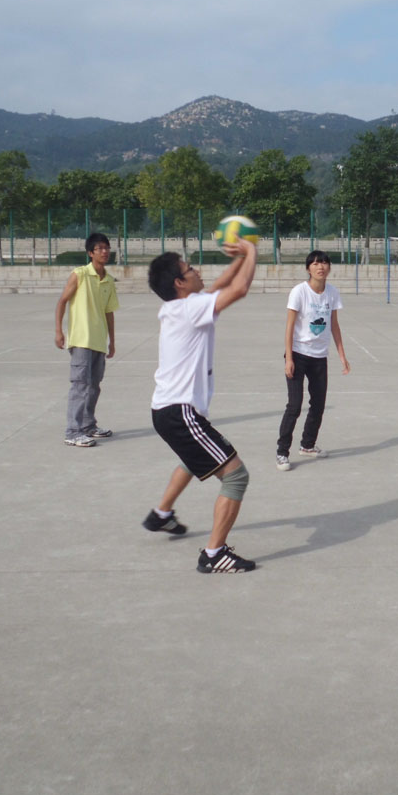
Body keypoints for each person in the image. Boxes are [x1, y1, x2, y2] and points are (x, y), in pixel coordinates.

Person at [144, 239, 259, 573]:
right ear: (180, 283)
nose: (196, 271)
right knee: (236, 476)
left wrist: (239, 259)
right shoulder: (190, 309)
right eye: (189, 269)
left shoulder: (177, 307)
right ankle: (214, 554)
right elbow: (238, 290)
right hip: (180, 412)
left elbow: (220, 285)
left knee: (194, 460)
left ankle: (161, 514)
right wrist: (252, 252)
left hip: (165, 411)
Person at [276, 251, 350, 471]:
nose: (321, 267)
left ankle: (307, 445)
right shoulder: (299, 292)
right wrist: (289, 358)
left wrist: (342, 356)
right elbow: (290, 327)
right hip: (298, 354)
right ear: (308, 268)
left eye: (324, 263)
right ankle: (282, 452)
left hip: (319, 357)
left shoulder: (332, 293)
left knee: (318, 405)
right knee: (294, 405)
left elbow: (334, 325)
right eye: (316, 263)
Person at [54, 232, 118, 447]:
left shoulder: (109, 280)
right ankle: (72, 432)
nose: (105, 252)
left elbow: (109, 312)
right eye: (100, 248)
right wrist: (59, 331)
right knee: (80, 385)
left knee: (94, 386)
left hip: (99, 341)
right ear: (90, 253)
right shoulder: (79, 274)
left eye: (107, 248)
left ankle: (88, 425)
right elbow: (62, 301)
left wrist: (112, 341)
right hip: (81, 340)